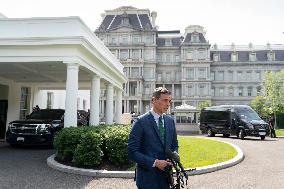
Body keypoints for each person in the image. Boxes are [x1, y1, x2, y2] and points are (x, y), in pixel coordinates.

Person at [127, 87, 178, 189]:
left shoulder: (170, 121)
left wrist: (174, 156)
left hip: (167, 179)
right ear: (154, 100)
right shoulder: (140, 122)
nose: (168, 104)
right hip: (147, 181)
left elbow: (174, 145)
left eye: (169, 101)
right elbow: (132, 151)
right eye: (165, 100)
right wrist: (155, 163)